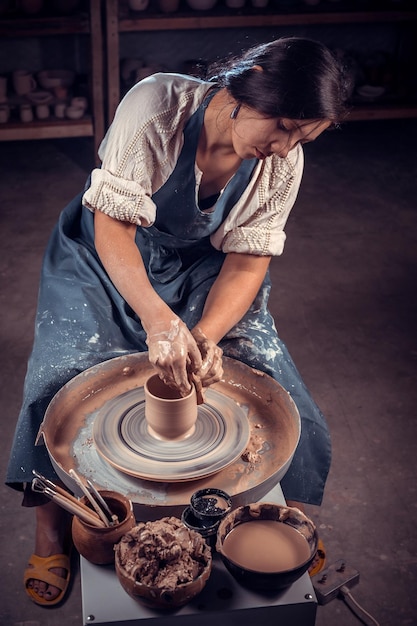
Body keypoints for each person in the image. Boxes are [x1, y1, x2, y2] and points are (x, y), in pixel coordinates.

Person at [6, 36, 352, 605]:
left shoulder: (282, 164)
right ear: (251, 84)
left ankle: (272, 518)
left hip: (202, 263)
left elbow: (246, 263)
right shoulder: (158, 106)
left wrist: (205, 335)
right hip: (106, 251)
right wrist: (159, 322)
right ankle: (53, 529)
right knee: (62, 377)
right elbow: (112, 227)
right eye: (284, 126)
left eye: (304, 137)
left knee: (262, 371)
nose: (287, 147)